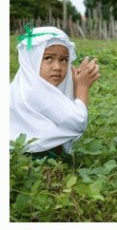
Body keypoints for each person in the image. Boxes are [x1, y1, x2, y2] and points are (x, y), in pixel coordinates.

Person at [10, 25, 100, 158]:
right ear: (32, 59)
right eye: (48, 58)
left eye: (63, 60)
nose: (57, 67)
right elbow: (77, 123)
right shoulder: (36, 92)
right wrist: (82, 88)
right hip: (36, 160)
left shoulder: (21, 85)